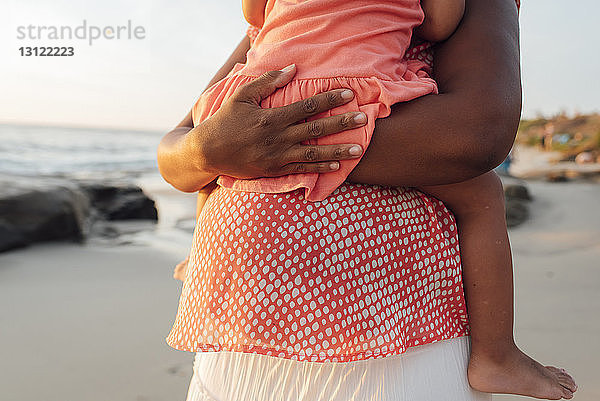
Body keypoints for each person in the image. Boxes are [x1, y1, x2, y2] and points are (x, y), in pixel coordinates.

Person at [158, 0, 577, 399]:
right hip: (351, 106)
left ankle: (195, 257)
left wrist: (224, 151)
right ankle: (496, 354)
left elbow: (252, 16)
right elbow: (440, 23)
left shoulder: (269, 27)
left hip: (260, 120)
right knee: (484, 195)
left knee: (221, 167)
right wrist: (210, 151)